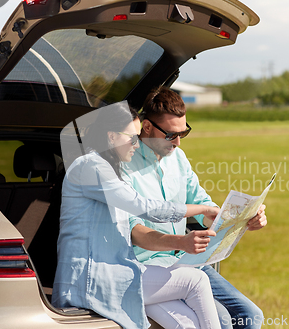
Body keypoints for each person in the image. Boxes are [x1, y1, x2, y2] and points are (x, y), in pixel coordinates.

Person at [52, 101, 222, 329]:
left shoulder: (111, 170)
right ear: (112, 137)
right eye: (132, 137)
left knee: (188, 324)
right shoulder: (91, 167)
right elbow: (146, 207)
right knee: (197, 280)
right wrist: (202, 209)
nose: (138, 142)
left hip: (121, 271)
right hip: (91, 278)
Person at [122, 88, 267, 329]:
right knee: (222, 320)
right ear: (146, 127)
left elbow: (205, 208)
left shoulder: (178, 158)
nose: (178, 142)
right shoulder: (125, 162)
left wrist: (245, 218)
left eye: (183, 133)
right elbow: (132, 232)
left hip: (187, 261)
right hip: (151, 267)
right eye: (171, 135)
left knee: (251, 315)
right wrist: (180, 241)